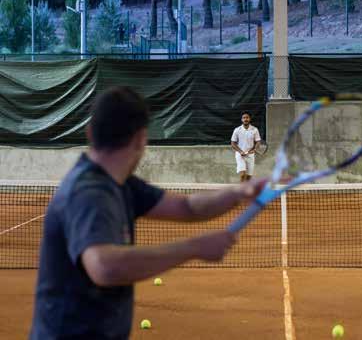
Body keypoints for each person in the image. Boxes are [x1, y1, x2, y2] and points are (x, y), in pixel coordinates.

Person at [29, 86, 265, 340]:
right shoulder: (89, 192)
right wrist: (194, 247)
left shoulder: (119, 183)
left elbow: (187, 208)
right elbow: (105, 267)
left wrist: (242, 192)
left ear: (90, 132)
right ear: (141, 139)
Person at [231, 111, 262, 182]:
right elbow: (233, 143)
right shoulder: (237, 130)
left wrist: (255, 150)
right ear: (242, 119)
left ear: (249, 119)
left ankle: (246, 191)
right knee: (242, 175)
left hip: (250, 155)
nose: (245, 119)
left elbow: (258, 142)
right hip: (240, 155)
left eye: (247, 117)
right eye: (244, 118)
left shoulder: (255, 129)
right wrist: (240, 151)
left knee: (248, 178)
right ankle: (241, 192)